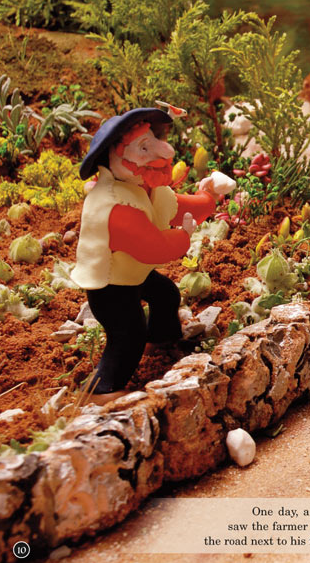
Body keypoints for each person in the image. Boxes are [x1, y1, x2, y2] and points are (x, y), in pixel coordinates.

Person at [71, 107, 222, 404]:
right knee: (128, 334)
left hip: (134, 274)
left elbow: (178, 206)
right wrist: (183, 236)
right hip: (110, 287)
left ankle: (162, 339)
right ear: (114, 157)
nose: (163, 151)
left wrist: (208, 198)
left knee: (165, 295)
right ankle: (100, 389)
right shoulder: (113, 205)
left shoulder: (143, 186)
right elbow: (152, 246)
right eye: (143, 148)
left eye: (154, 140)